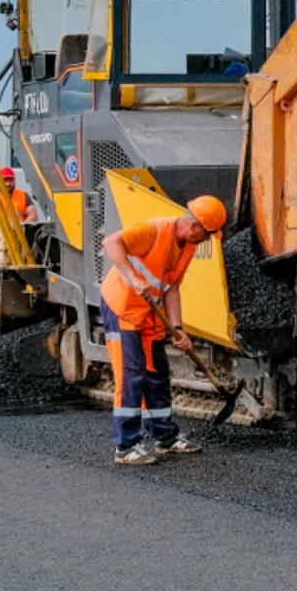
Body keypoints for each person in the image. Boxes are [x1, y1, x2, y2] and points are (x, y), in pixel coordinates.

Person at [98, 195, 227, 465]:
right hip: (123, 309)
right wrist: (134, 278)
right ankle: (126, 446)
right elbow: (111, 242)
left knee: (157, 374)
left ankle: (165, 437)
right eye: (208, 234)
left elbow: (172, 289)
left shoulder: (188, 246)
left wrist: (178, 329)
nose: (207, 239)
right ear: (195, 227)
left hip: (149, 315)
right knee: (131, 375)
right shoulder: (154, 230)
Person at [0, 168, 41, 265]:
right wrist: (10, 227)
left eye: (10, 180)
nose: (8, 183)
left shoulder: (23, 195)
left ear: (14, 180)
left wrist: (21, 227)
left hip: (19, 247)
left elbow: (33, 215)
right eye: (5, 180)